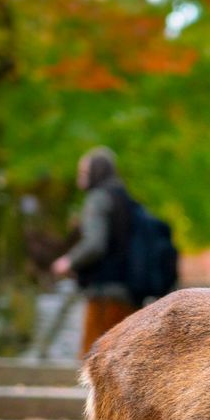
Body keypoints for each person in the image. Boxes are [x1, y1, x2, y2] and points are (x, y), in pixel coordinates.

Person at [51, 147, 136, 356]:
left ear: (96, 172)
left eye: (83, 172)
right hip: (129, 290)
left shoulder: (97, 199)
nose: (80, 177)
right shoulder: (125, 198)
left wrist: (69, 261)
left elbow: (95, 244)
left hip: (103, 291)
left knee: (93, 356)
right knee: (121, 356)